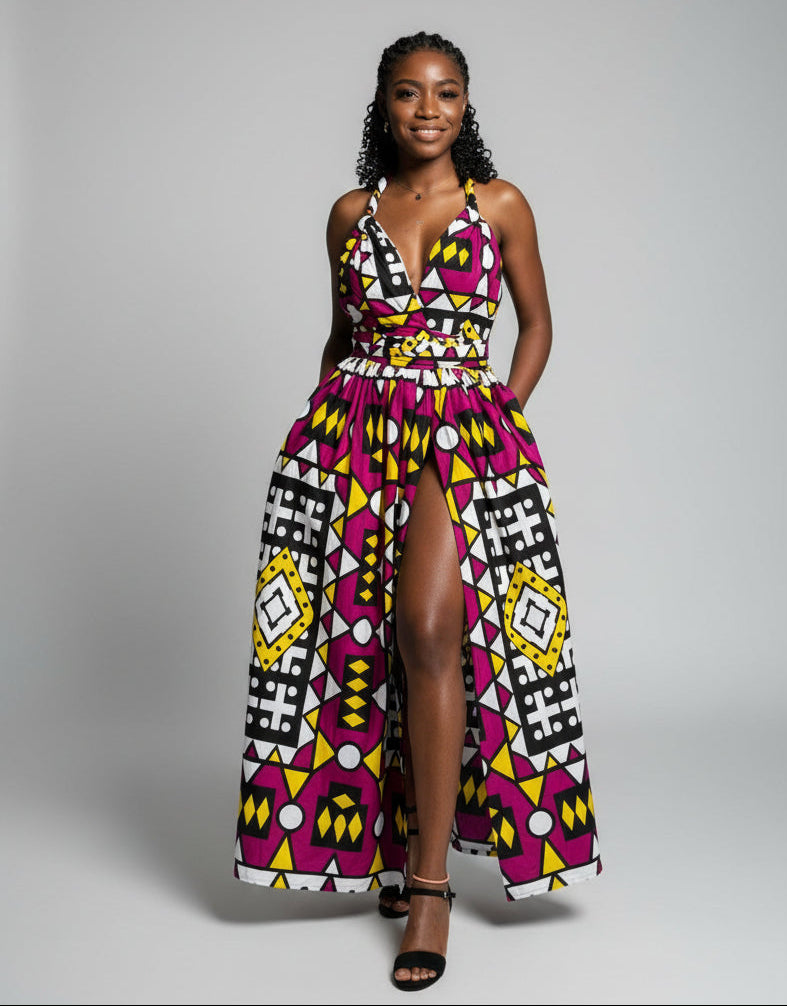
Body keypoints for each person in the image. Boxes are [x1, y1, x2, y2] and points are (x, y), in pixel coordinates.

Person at [233, 30, 603, 991]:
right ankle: (393, 851)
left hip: (456, 434)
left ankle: (430, 887)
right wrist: (315, 453)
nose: (427, 109)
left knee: (428, 628)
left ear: (467, 105)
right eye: (407, 93)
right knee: (362, 644)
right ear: (383, 108)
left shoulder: (501, 204)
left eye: (445, 92)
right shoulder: (349, 214)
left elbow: (538, 325)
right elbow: (336, 336)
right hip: (351, 438)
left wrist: (495, 421)